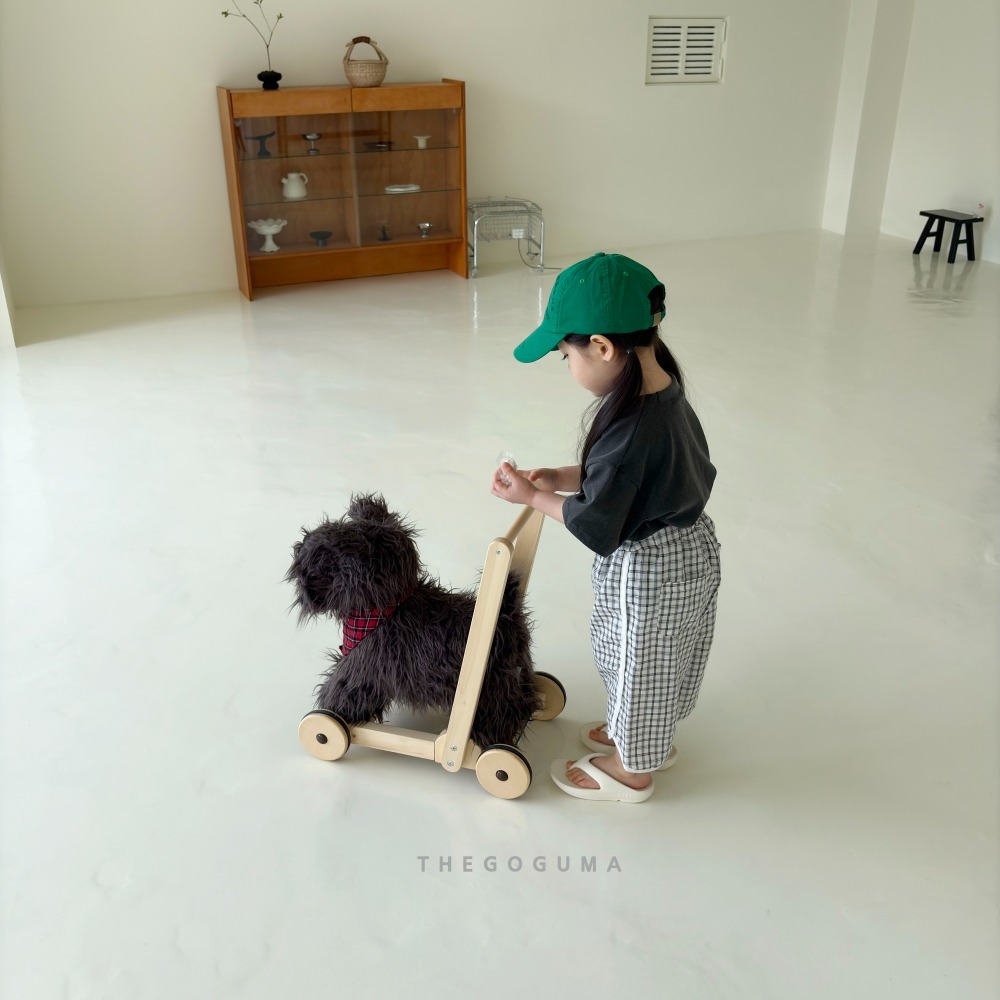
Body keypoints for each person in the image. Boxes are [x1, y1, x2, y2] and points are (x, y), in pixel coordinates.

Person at [490, 252, 721, 803]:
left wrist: (534, 497)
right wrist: (562, 477)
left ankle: (631, 770)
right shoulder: (662, 394)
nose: (568, 366)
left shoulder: (630, 427)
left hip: (649, 565)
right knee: (661, 656)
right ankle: (642, 737)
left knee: (638, 659)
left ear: (601, 346)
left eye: (565, 355)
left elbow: (596, 522)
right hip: (688, 548)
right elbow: (632, 478)